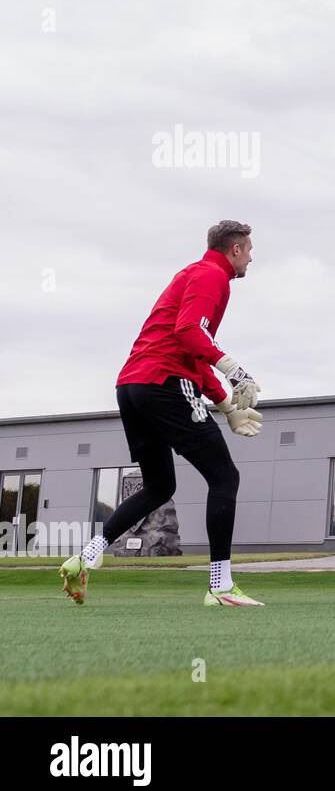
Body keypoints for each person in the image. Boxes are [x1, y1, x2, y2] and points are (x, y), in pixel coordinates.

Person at [58, 221, 266, 607]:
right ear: (235, 249)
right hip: (164, 383)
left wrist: (225, 406)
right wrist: (234, 369)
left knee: (159, 486)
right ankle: (220, 587)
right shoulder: (212, 276)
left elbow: (190, 349)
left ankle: (84, 557)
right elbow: (190, 332)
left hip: (132, 386)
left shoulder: (191, 273)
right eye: (249, 250)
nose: (252, 258)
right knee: (224, 477)